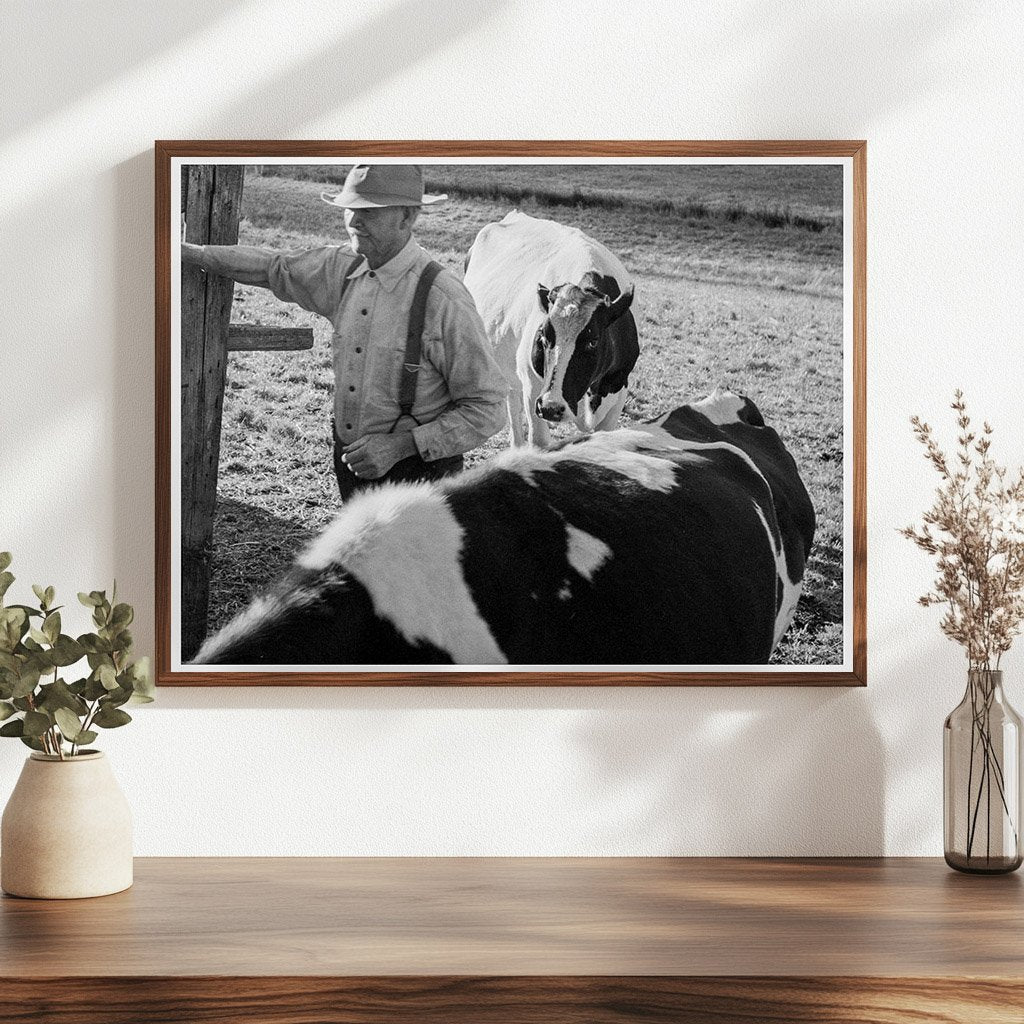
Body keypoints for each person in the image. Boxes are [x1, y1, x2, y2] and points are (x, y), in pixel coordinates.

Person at [181, 164, 507, 499]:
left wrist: (402, 445)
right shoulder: (342, 267)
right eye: (349, 209)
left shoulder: (443, 298)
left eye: (369, 211)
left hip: (420, 479)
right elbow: (272, 267)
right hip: (351, 466)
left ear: (407, 217)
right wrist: (190, 254)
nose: (354, 221)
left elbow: (488, 407)